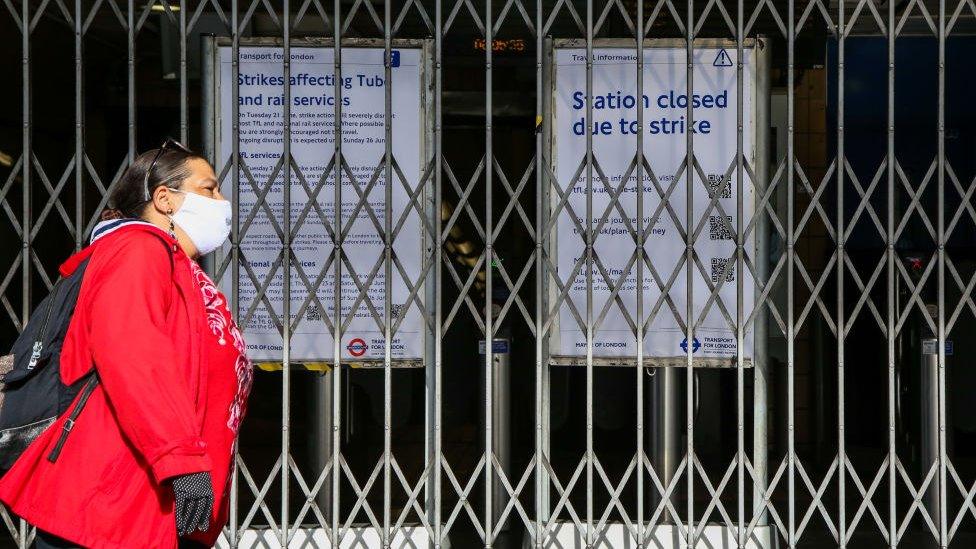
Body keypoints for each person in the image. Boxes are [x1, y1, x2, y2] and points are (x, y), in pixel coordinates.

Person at [0, 140, 253, 548]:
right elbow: (135, 358)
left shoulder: (177, 267)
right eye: (209, 189)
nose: (221, 201)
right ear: (165, 199)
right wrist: (182, 460)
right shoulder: (137, 251)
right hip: (117, 507)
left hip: (153, 505)